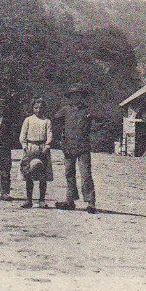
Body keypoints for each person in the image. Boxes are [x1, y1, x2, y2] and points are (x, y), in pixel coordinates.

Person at [54, 85, 97, 213]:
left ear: (82, 97)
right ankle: (70, 200)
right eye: (73, 95)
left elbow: (99, 121)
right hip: (68, 146)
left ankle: (91, 202)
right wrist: (61, 137)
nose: (76, 98)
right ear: (70, 97)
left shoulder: (88, 111)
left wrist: (91, 132)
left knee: (86, 174)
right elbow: (55, 121)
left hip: (83, 146)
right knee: (69, 173)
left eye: (78, 95)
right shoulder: (65, 110)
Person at [19, 97, 53, 208]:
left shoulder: (47, 121)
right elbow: (22, 135)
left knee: (43, 175)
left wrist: (47, 146)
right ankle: (29, 200)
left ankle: (42, 200)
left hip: (42, 148)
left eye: (41, 108)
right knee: (29, 173)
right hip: (30, 147)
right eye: (36, 108)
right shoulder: (28, 120)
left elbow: (50, 134)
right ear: (32, 108)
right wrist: (25, 147)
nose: (38, 110)